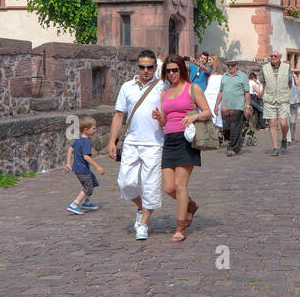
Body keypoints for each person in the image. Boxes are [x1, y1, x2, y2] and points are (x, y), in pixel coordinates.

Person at [109, 51, 165, 241]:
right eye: (142, 67)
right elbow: (118, 115)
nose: (146, 70)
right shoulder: (127, 87)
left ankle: (143, 224)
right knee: (125, 183)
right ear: (137, 67)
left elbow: (170, 114)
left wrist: (162, 119)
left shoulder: (162, 87)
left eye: (150, 67)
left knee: (150, 184)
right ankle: (141, 207)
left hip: (154, 143)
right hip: (131, 141)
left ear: (155, 68)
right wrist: (111, 141)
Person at [156, 54, 212, 242]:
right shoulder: (164, 93)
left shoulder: (192, 88)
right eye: (168, 71)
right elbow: (166, 120)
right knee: (169, 187)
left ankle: (180, 227)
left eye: (175, 70)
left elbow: (206, 112)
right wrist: (159, 118)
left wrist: (194, 117)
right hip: (169, 141)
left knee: (180, 185)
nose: (172, 74)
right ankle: (191, 206)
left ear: (182, 69)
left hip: (186, 140)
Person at [64, 116, 107, 214]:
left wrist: (68, 164)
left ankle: (86, 203)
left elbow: (70, 150)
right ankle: (74, 205)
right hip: (83, 169)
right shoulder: (86, 141)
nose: (95, 130)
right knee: (88, 187)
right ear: (86, 130)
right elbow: (86, 157)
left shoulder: (78, 139)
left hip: (78, 169)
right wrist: (98, 167)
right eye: (94, 128)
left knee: (93, 182)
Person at [215, 59, 251, 156]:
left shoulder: (243, 77)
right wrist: (216, 105)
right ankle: (237, 142)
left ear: (237, 65)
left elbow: (247, 93)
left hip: (238, 106)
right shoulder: (224, 76)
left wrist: (247, 106)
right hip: (225, 107)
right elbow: (221, 92)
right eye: (228, 65)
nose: (230, 67)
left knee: (235, 127)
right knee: (226, 128)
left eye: (232, 65)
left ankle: (233, 148)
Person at [260, 50, 292, 156]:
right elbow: (263, 83)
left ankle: (283, 138)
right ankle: (275, 147)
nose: (273, 57)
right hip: (270, 99)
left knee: (283, 123)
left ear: (280, 57)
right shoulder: (264, 68)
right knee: (272, 122)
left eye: (275, 56)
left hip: (283, 99)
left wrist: (285, 92)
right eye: (271, 56)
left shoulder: (286, 67)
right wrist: (262, 92)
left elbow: (290, 83)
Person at [288, 65, 300, 144]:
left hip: (294, 101)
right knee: (286, 121)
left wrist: (296, 78)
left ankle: (292, 136)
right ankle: (288, 138)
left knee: (293, 122)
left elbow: (299, 89)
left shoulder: (293, 75)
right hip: (286, 101)